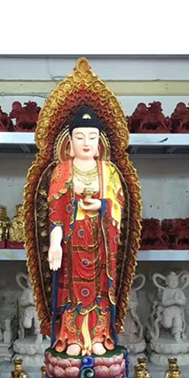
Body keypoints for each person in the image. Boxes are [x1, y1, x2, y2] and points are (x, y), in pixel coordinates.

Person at [47, 106, 124, 356]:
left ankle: (100, 334)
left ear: (99, 143)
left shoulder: (108, 171)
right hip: (72, 239)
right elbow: (56, 215)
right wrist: (55, 244)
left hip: (101, 238)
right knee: (72, 289)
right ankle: (72, 337)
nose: (86, 142)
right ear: (70, 143)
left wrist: (102, 205)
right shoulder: (62, 171)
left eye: (92, 137)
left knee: (100, 288)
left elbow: (118, 206)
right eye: (79, 137)